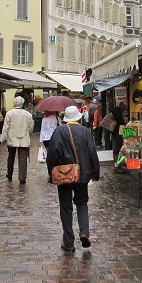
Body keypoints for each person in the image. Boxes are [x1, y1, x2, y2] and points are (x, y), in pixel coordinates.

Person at [46, 105, 100, 252]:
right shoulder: (85, 132)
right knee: (82, 203)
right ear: (78, 117)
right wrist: (95, 173)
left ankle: (69, 241)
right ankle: (84, 231)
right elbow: (92, 153)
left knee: (66, 207)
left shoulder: (59, 131)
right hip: (82, 174)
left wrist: (51, 173)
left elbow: (52, 154)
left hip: (64, 175)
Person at [1, 96, 34, 184]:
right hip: (24, 139)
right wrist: (28, 135)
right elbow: (31, 128)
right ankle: (22, 177)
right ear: (22, 104)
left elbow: (6, 127)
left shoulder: (9, 114)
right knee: (23, 159)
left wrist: (3, 138)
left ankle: (10, 174)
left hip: (12, 138)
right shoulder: (28, 115)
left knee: (11, 157)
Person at [111, 106, 127, 174]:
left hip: (115, 134)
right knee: (117, 151)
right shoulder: (118, 115)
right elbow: (121, 123)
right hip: (118, 134)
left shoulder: (114, 112)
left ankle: (118, 165)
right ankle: (116, 167)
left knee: (117, 150)